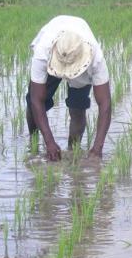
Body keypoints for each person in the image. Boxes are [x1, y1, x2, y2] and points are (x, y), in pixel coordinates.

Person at [26, 15, 112, 161]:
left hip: (82, 65)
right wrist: (49, 142)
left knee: (78, 108)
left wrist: (97, 148)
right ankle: (34, 144)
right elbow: (36, 99)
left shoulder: (95, 58)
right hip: (52, 61)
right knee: (32, 105)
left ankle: (73, 152)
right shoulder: (43, 52)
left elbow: (105, 103)